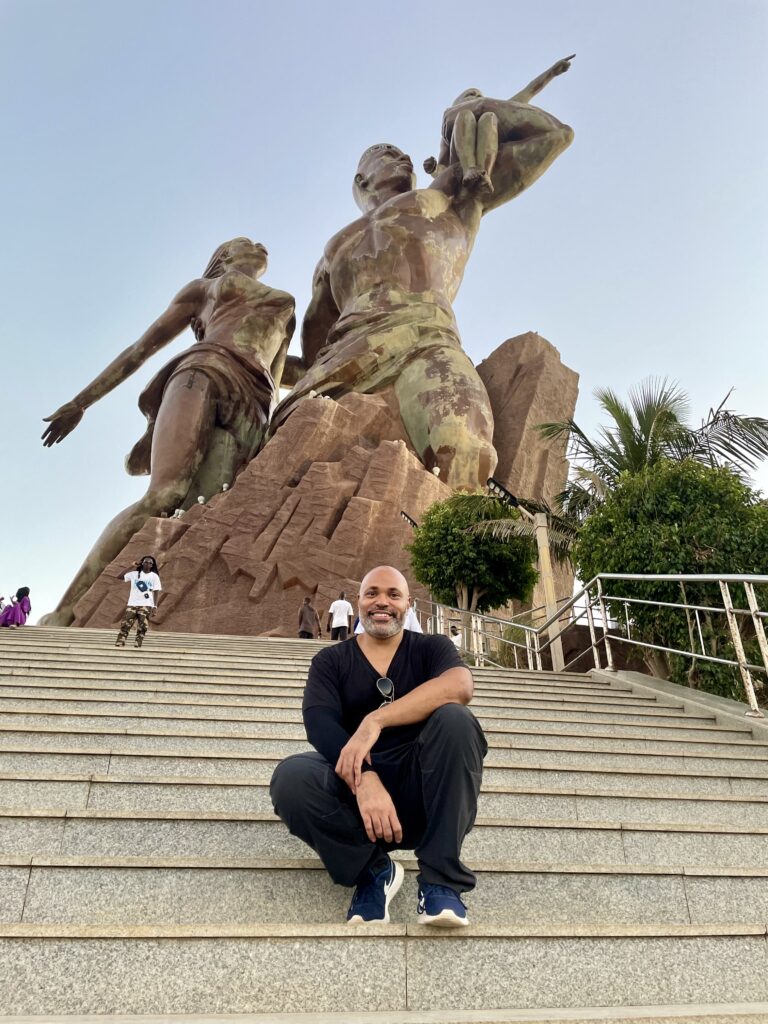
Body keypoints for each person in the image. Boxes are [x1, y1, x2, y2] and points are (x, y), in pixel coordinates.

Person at [270, 64, 573, 491]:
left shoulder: (447, 194)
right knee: (282, 471)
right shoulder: (333, 252)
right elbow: (307, 353)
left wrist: (469, 107)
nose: (402, 156)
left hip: (424, 341)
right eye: (385, 151)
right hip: (339, 362)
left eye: (403, 153)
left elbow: (553, 136)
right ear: (362, 179)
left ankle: (449, 554)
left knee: (464, 450)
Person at [41, 237, 295, 626]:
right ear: (223, 257)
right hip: (204, 370)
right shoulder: (205, 287)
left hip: (254, 402)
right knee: (165, 494)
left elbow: (279, 372)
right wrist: (82, 402)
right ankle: (65, 608)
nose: (259, 244)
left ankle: (170, 614)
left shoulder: (285, 303)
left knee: (207, 510)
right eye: (244, 242)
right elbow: (142, 348)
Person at [270, 565, 487, 927]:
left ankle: (440, 881)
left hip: (425, 789)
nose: (381, 602)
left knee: (456, 721)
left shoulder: (431, 649)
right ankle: (374, 871)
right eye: (372, 593)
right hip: (359, 802)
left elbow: (460, 685)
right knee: (291, 777)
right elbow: (318, 722)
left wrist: (376, 720)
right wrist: (365, 779)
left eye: (392, 594)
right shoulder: (331, 661)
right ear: (358, 602)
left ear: (408, 604)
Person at [422, 55, 575, 192]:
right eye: (470, 93)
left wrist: (552, 72)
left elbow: (528, 91)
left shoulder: (492, 109)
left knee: (489, 117)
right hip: (460, 161)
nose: (476, 95)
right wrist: (434, 169)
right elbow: (443, 167)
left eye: (479, 95)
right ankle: (470, 168)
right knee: (466, 115)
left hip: (487, 154)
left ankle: (483, 173)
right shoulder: (451, 121)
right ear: (457, 101)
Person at [115, 556, 162, 648]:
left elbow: (156, 591)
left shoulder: (154, 576)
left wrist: (155, 606)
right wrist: (131, 566)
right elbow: (119, 577)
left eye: (150, 563)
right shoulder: (134, 574)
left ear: (152, 565)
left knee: (143, 627)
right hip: (132, 604)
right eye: (146, 562)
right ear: (142, 563)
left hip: (146, 605)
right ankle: (120, 643)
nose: (148, 564)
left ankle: (137, 644)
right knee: (125, 625)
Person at [355, 595, 422, 635]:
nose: (382, 602)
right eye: (373, 594)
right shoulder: (368, 613)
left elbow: (418, 634)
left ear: (408, 602)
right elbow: (359, 634)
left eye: (393, 595)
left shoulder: (408, 612)